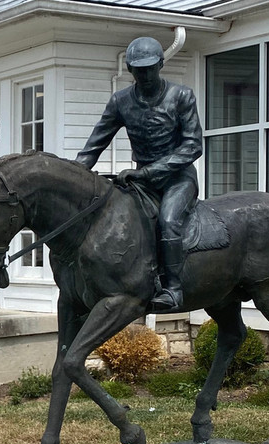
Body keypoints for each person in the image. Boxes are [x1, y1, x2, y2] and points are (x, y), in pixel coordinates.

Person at [75, 36, 203, 311]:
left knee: (168, 221)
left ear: (160, 65)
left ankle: (173, 289)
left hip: (178, 179)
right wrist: (72, 176)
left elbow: (193, 146)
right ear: (130, 69)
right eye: (138, 69)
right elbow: (94, 145)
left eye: (149, 68)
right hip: (142, 182)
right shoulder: (120, 101)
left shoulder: (181, 96)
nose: (144, 75)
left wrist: (148, 172)